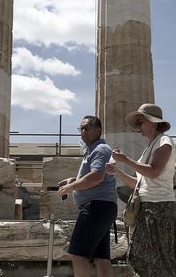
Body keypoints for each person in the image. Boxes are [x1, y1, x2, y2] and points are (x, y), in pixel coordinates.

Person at [106, 104, 176, 277]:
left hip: (160, 209)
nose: (137, 128)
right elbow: (138, 184)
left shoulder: (164, 142)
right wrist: (118, 171)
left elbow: (154, 171)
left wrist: (126, 159)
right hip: (147, 208)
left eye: (140, 122)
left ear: (153, 122)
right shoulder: (150, 147)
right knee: (146, 257)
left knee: (164, 259)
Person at [57, 115, 118, 277]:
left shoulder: (100, 149)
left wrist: (71, 186)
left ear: (98, 130)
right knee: (101, 258)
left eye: (87, 128)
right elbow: (95, 175)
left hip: (96, 208)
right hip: (103, 207)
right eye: (81, 129)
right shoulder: (93, 150)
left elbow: (97, 177)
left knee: (77, 255)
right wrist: (73, 180)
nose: (83, 132)